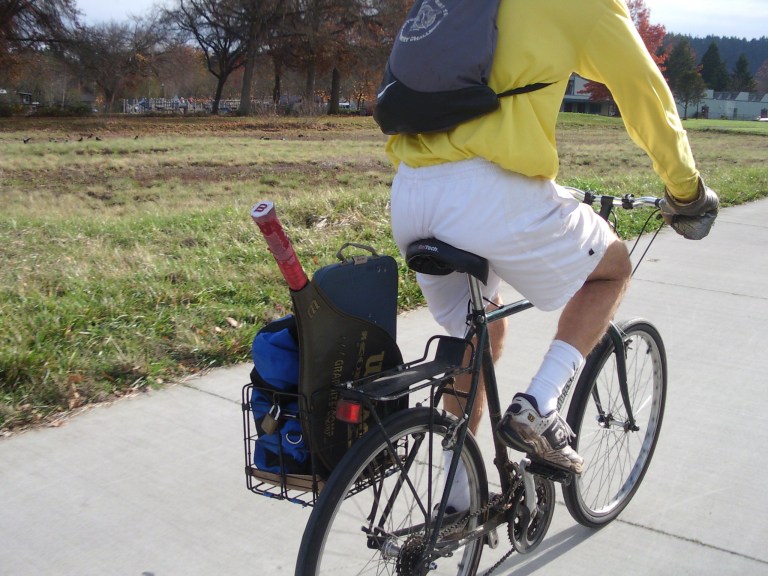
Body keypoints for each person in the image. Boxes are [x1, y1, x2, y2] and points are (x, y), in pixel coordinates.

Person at [385, 0, 719, 511]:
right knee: (611, 269)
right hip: (490, 193)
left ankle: (454, 498)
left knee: (478, 335)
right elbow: (644, 91)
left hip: (410, 194)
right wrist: (686, 189)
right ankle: (539, 404)